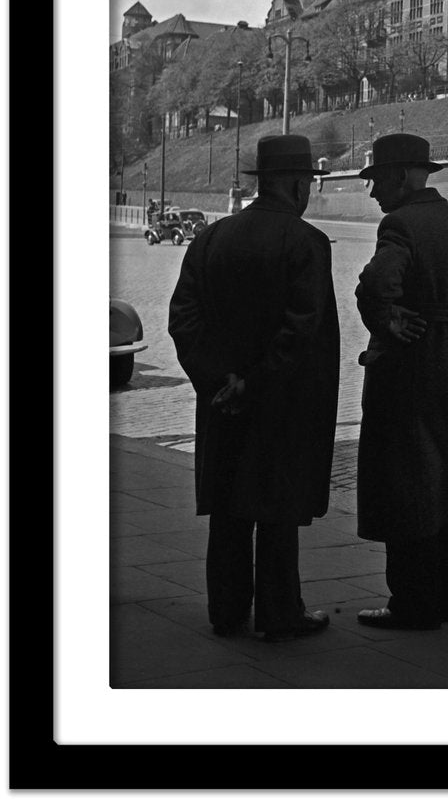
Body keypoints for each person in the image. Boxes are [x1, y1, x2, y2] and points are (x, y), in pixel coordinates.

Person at [167, 134, 340, 643]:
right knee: (278, 508)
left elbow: (184, 318)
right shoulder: (306, 243)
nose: (308, 191)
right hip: (282, 402)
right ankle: (280, 611)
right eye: (307, 182)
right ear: (292, 184)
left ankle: (226, 608)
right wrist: (255, 381)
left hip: (222, 402)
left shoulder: (211, 239)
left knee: (228, 505)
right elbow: (301, 329)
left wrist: (218, 379)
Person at [354, 133, 448, 630]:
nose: (373, 193)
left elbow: (376, 285)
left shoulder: (399, 224)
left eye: (376, 181)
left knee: (408, 484)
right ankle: (447, 599)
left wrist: (387, 321)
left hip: (411, 372)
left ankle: (410, 602)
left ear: (397, 177)